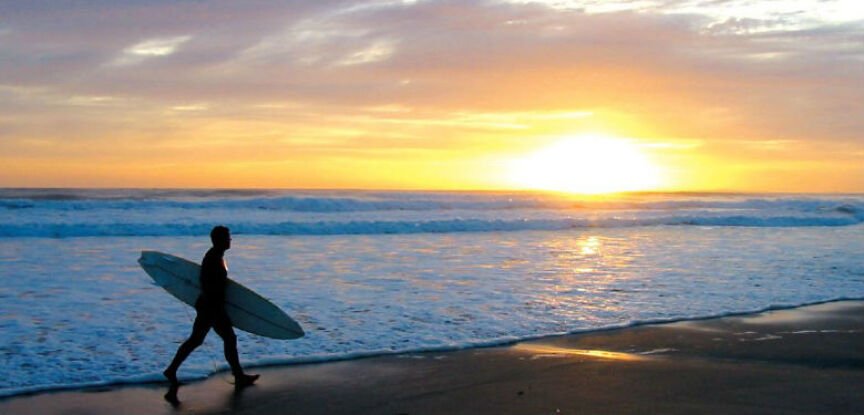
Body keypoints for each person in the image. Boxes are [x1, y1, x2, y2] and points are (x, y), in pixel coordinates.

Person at [163, 226, 259, 394]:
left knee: (197, 340)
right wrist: (216, 310)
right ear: (219, 240)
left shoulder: (216, 256)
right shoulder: (213, 258)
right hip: (211, 307)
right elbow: (207, 285)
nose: (230, 240)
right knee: (228, 338)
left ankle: (171, 370)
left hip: (209, 306)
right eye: (227, 237)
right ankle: (238, 376)